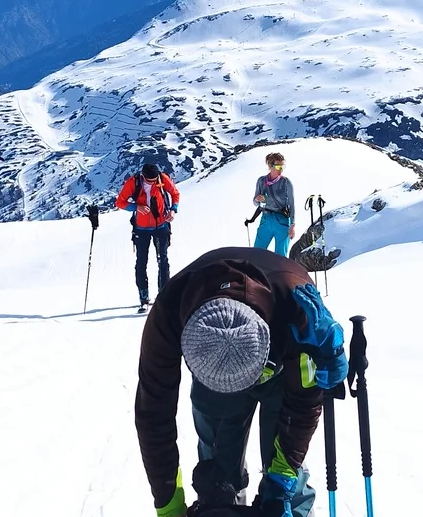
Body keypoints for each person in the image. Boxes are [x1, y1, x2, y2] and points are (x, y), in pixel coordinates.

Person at [135, 246, 348, 517]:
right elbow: (154, 416)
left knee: (287, 480)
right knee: (217, 476)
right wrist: (168, 504)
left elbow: (304, 403)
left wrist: (283, 472)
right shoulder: (168, 313)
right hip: (214, 373)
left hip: (283, 368)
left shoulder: (298, 309)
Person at [118, 162, 181, 312]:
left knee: (163, 261)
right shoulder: (134, 182)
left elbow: (175, 193)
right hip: (142, 228)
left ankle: (164, 296)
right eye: (149, 181)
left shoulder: (162, 178)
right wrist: (136, 207)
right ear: (143, 176)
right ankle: (144, 299)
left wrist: (173, 209)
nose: (152, 183)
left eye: (154, 181)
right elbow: (120, 202)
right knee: (141, 262)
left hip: (161, 226)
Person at [251, 153, 296, 256]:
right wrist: (257, 199)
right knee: (257, 253)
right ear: (270, 166)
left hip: (282, 221)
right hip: (266, 218)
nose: (281, 169)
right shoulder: (261, 181)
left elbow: (292, 204)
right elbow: (255, 203)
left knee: (281, 256)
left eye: (282, 166)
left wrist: (292, 225)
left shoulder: (286, 183)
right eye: (278, 166)